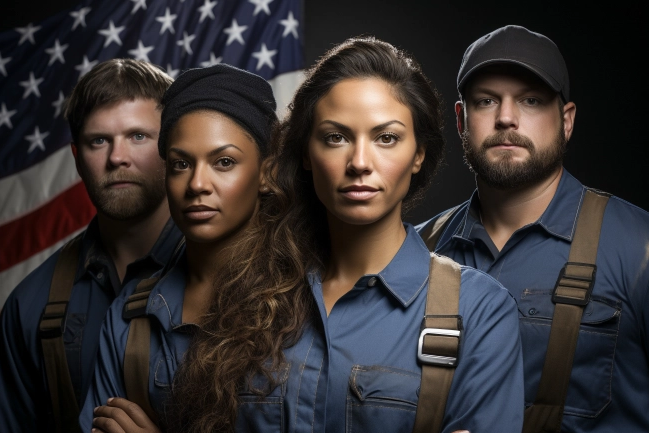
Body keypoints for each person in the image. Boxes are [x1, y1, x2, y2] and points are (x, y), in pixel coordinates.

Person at [157, 37, 523, 433]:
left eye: (387, 138)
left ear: (418, 154)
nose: (360, 163)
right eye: (336, 137)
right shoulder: (244, 292)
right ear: (305, 154)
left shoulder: (477, 311)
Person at [416, 25, 649, 432]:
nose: (506, 118)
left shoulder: (640, 248)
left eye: (531, 100)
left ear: (567, 120)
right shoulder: (417, 250)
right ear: (461, 119)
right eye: (487, 100)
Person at [80, 63, 278, 432]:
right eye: (181, 164)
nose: (197, 184)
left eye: (224, 162)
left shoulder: (309, 299)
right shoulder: (129, 318)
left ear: (266, 172)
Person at [0, 59, 182, 433]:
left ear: (172, 148)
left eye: (138, 136)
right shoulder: (29, 306)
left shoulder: (233, 276)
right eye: (99, 140)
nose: (117, 157)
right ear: (77, 159)